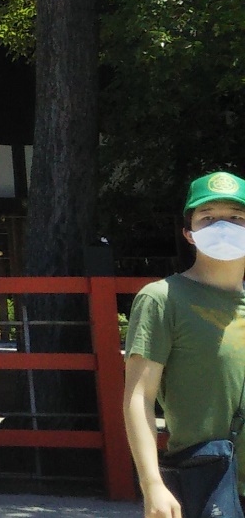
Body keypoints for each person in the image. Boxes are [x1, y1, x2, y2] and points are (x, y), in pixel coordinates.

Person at [127, 171, 245, 518]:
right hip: (210, 483)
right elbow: (138, 397)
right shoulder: (163, 298)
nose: (222, 226)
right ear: (189, 234)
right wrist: (152, 485)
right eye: (208, 218)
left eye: (236, 217)